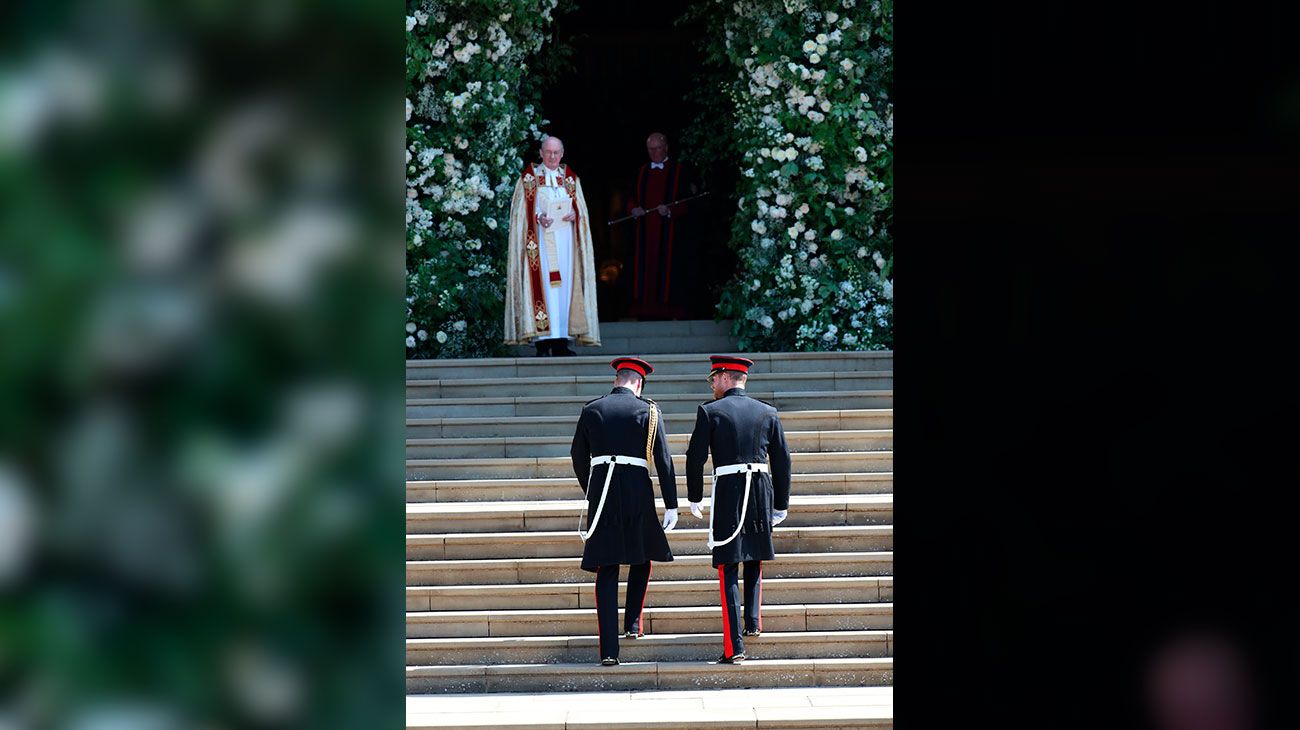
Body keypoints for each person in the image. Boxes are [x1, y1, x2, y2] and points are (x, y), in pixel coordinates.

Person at [570, 357, 680, 666]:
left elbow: (578, 455)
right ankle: (632, 623)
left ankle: (608, 650)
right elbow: (663, 459)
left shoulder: (592, 408)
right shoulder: (649, 411)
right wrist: (671, 503)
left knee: (607, 566)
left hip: (602, 489)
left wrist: (591, 490)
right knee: (641, 555)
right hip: (636, 488)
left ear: (617, 379)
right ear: (639, 383)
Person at [685, 356, 792, 664]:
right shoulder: (767, 412)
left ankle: (734, 647)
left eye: (713, 379)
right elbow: (782, 460)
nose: (712, 385)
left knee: (729, 564)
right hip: (761, 488)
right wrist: (781, 502)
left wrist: (695, 496)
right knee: (755, 555)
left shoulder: (710, 411)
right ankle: (753, 622)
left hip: (730, 489)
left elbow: (695, 457)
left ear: (725, 377)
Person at [504, 135, 601, 356]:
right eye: (548, 152)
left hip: (566, 245)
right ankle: (541, 342)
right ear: (541, 153)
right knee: (544, 290)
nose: (552, 157)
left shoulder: (570, 179)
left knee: (564, 291)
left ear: (562, 154)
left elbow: (582, 213)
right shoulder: (528, 179)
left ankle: (560, 342)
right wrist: (538, 217)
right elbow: (520, 213)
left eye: (556, 152)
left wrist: (574, 214)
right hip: (539, 247)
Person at [626, 132, 696, 320]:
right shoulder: (641, 172)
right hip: (645, 233)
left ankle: (672, 311)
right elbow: (630, 197)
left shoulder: (680, 171)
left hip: (671, 233)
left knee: (669, 273)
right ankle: (645, 310)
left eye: (658, 148)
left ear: (666, 148)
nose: (655, 152)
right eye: (651, 149)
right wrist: (634, 209)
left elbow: (689, 201)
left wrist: (671, 210)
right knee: (645, 272)